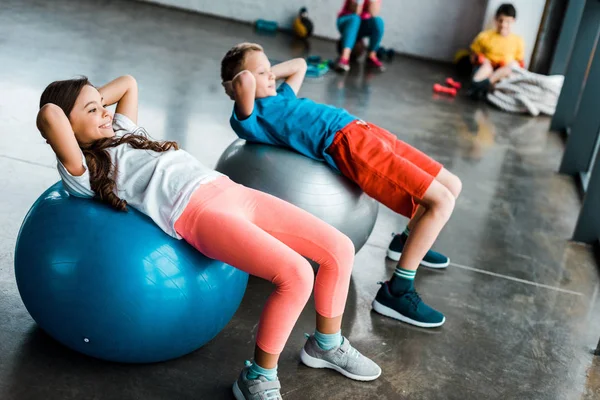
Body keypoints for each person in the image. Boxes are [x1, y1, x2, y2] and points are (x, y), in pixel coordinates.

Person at [36, 75, 381, 400]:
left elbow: (128, 83)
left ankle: (326, 343)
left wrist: (91, 105)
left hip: (230, 190)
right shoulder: (83, 169)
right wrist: (75, 112)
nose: (105, 112)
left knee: (339, 248)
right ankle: (258, 377)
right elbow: (50, 113)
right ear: (66, 127)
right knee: (296, 275)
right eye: (92, 109)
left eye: (102, 104)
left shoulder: (124, 130)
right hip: (198, 213)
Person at [221, 43, 462, 330]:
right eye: (261, 72)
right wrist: (241, 81)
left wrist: (266, 71)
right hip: (349, 145)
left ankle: (407, 241)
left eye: (269, 68)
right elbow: (246, 82)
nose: (271, 75)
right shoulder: (252, 118)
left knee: (452, 183)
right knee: (441, 201)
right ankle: (397, 292)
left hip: (365, 130)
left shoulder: (280, 95)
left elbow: (299, 64)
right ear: (237, 87)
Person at [469, 3, 525, 99]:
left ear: (513, 21)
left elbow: (520, 64)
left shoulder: (518, 41)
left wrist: (507, 66)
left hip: (503, 72)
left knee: (512, 66)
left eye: (507, 22)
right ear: (496, 19)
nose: (503, 25)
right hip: (487, 69)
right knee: (486, 67)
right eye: (500, 21)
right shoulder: (484, 36)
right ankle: (481, 85)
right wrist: (482, 60)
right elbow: (473, 56)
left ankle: (481, 86)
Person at [335, 0, 385, 72]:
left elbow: (373, 13)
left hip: (362, 24)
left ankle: (371, 56)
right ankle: (344, 59)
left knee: (378, 21)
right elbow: (356, 11)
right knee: (355, 18)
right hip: (346, 20)